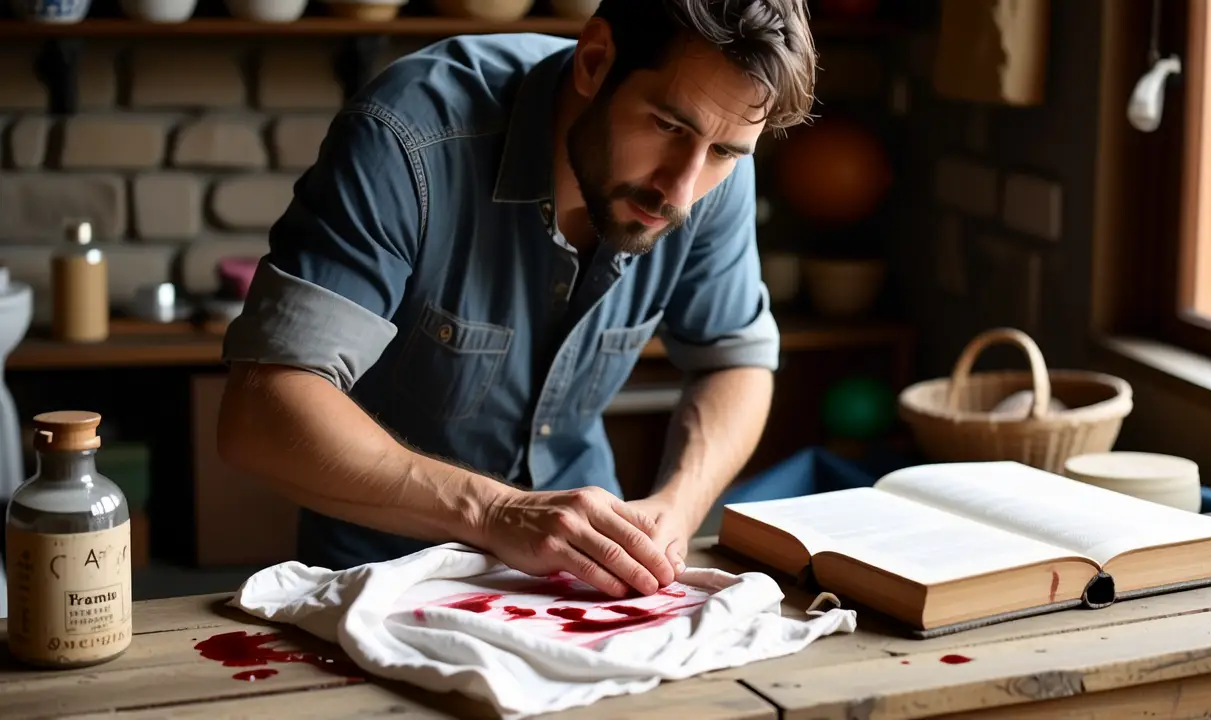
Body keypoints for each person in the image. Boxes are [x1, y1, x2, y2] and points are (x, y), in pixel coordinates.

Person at [216, 0, 818, 599]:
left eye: (724, 152)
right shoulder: (406, 135)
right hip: (381, 580)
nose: (681, 192)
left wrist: (677, 508)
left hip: (585, 583)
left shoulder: (711, 169)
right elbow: (260, 412)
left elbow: (735, 359)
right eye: (667, 126)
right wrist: (497, 513)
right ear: (594, 60)